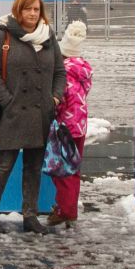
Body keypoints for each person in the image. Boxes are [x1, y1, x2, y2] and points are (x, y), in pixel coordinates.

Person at [0, 0, 66, 234]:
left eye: (36, 9)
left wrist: (55, 98)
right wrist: (8, 100)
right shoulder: (3, 34)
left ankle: (30, 215)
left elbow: (60, 72)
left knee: (33, 166)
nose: (32, 13)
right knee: (4, 164)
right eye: (28, 9)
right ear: (19, 10)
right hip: (13, 112)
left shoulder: (48, 36)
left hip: (41, 113)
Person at [46, 21, 92, 226]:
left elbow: (59, 100)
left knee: (63, 170)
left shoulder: (63, 74)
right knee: (73, 168)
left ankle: (66, 210)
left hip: (65, 127)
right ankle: (66, 207)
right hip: (80, 125)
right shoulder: (83, 71)